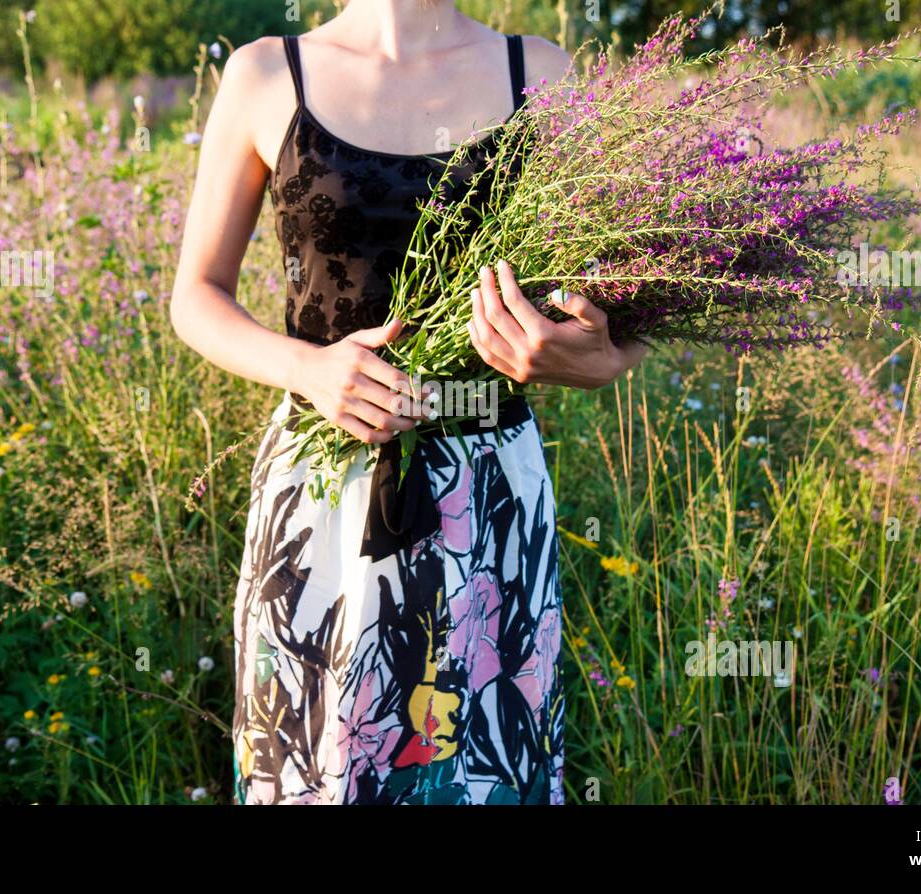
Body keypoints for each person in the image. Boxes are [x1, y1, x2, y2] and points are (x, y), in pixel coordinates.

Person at [170, 0, 648, 804]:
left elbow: (637, 309)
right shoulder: (263, 72)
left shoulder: (543, 75)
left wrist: (600, 358)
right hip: (321, 496)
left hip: (488, 500)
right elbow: (196, 297)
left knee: (481, 771)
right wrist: (311, 370)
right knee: (317, 766)